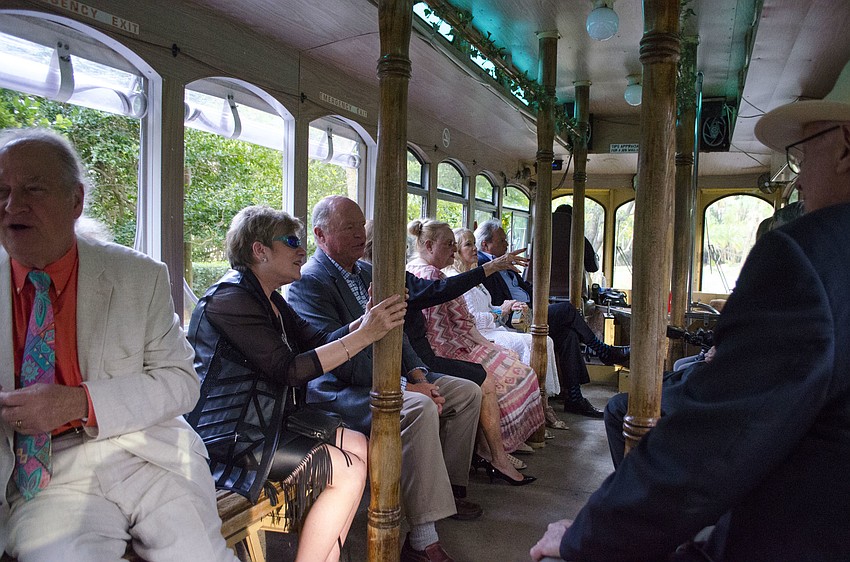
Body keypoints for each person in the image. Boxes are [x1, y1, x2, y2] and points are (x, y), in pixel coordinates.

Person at [530, 60, 850, 562]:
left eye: (803, 154)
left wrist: (586, 538)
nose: (800, 179)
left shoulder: (806, 259)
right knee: (572, 330)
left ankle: (599, 365)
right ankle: (603, 360)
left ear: (845, 147)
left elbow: (714, 446)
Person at [0, 128, 236, 561]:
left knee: (198, 553)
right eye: (2, 191)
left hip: (149, 454)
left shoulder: (138, 276)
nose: (13, 205)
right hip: (44, 474)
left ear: (76, 201)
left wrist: (78, 402)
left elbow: (182, 383)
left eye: (33, 189)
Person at [187, 206, 407, 561]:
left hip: (265, 420)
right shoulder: (230, 299)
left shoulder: (268, 298)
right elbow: (288, 370)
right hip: (229, 436)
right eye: (291, 242)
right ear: (260, 250)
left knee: (359, 444)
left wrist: (363, 323)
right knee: (348, 471)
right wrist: (366, 335)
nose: (302, 250)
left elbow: (317, 340)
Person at [288, 195, 483, 562]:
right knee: (420, 407)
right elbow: (335, 361)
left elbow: (397, 333)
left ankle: (449, 491)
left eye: (360, 225)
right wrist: (409, 386)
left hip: (387, 377)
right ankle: (423, 537)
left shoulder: (366, 272)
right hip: (341, 391)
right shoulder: (310, 282)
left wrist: (419, 374)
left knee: (467, 392)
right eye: (348, 227)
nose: (359, 234)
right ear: (319, 234)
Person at [407, 219, 542, 485]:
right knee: (487, 377)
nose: (455, 250)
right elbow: (456, 318)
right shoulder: (430, 276)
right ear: (428, 245)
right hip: (435, 354)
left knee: (502, 364)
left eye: (456, 245)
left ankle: (492, 452)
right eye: (450, 245)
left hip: (431, 351)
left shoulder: (419, 272)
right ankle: (495, 455)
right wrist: (491, 267)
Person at [475, 220, 629, 418]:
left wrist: (542, 301)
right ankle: (603, 351)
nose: (506, 244)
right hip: (514, 315)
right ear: (486, 244)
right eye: (502, 241)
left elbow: (524, 286)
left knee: (568, 334)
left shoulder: (504, 263)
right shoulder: (484, 264)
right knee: (568, 309)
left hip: (531, 308)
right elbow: (496, 299)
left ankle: (574, 398)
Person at [449, 227, 567, 431]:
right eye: (468, 244)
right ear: (457, 251)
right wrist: (499, 313)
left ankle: (542, 402)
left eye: (474, 244)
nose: (475, 249)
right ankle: (534, 408)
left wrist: (507, 306)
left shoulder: (474, 277)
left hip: (494, 328)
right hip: (479, 334)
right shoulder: (455, 278)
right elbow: (472, 320)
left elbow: (487, 308)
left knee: (546, 340)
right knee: (532, 342)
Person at [604, 347, 716, 469]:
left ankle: (629, 476)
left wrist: (722, 353)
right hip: (704, 371)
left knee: (617, 407)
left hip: (714, 380)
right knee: (657, 377)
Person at [543, 204, 599, 300]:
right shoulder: (580, 240)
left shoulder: (540, 239)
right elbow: (592, 267)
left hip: (541, 292)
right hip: (574, 294)